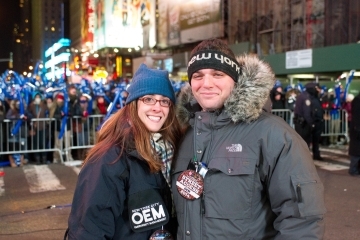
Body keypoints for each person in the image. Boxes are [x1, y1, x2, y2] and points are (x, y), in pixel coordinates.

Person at [172, 38, 326, 239]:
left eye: (217, 74)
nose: (206, 84)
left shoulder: (274, 135)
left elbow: (303, 222)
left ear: (234, 80)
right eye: (198, 75)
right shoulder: (184, 133)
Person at [67, 64, 184, 239]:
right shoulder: (111, 156)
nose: (157, 107)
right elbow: (90, 229)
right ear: (133, 104)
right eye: (148, 99)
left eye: (164, 101)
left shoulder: (173, 149)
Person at [294, 82, 325, 160]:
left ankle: (306, 157)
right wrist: (312, 124)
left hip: (304, 123)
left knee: (309, 141)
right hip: (304, 124)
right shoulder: (306, 97)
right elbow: (307, 113)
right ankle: (302, 159)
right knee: (304, 142)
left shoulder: (308, 96)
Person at [348, 93, 360, 176]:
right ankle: (353, 169)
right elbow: (356, 116)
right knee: (356, 151)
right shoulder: (358, 100)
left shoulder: (357, 99)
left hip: (356, 128)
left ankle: (355, 169)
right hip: (357, 130)